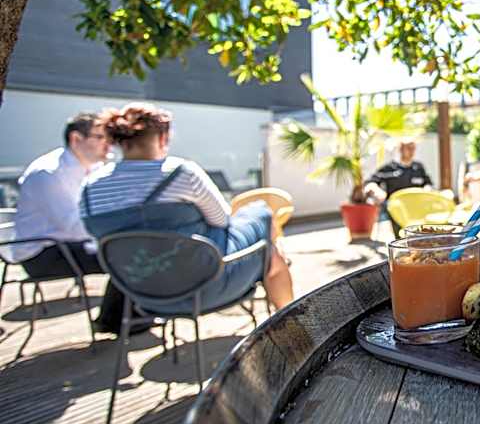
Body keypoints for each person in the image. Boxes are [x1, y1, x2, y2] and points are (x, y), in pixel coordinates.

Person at [80, 103, 294, 314]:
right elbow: (222, 220)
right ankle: (291, 319)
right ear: (163, 138)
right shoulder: (181, 173)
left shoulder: (89, 188)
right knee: (262, 217)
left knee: (265, 242)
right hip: (207, 286)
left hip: (143, 296)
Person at [9, 112, 140, 331]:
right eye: (101, 137)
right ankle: (115, 320)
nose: (109, 144)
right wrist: (116, 231)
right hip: (43, 254)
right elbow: (73, 227)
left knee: (129, 250)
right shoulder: (49, 173)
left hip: (69, 244)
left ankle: (124, 316)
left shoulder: (92, 169)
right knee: (126, 256)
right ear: (76, 139)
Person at [363, 139, 433, 236]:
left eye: (413, 148)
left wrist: (427, 189)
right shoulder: (389, 168)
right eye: (408, 148)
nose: (412, 151)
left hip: (417, 209)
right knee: (402, 235)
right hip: (396, 210)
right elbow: (370, 182)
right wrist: (376, 190)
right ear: (401, 149)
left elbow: (428, 183)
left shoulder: (419, 167)